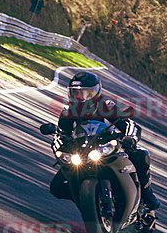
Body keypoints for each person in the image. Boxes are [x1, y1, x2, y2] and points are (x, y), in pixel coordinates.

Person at [49, 72, 160, 210]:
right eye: (76, 93)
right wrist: (60, 149)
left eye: (84, 93)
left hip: (107, 146)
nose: (80, 97)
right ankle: (89, 202)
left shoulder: (106, 106)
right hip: (82, 152)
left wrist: (130, 138)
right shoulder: (68, 112)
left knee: (141, 155)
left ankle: (147, 194)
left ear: (95, 92)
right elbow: (60, 135)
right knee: (57, 187)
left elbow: (129, 124)